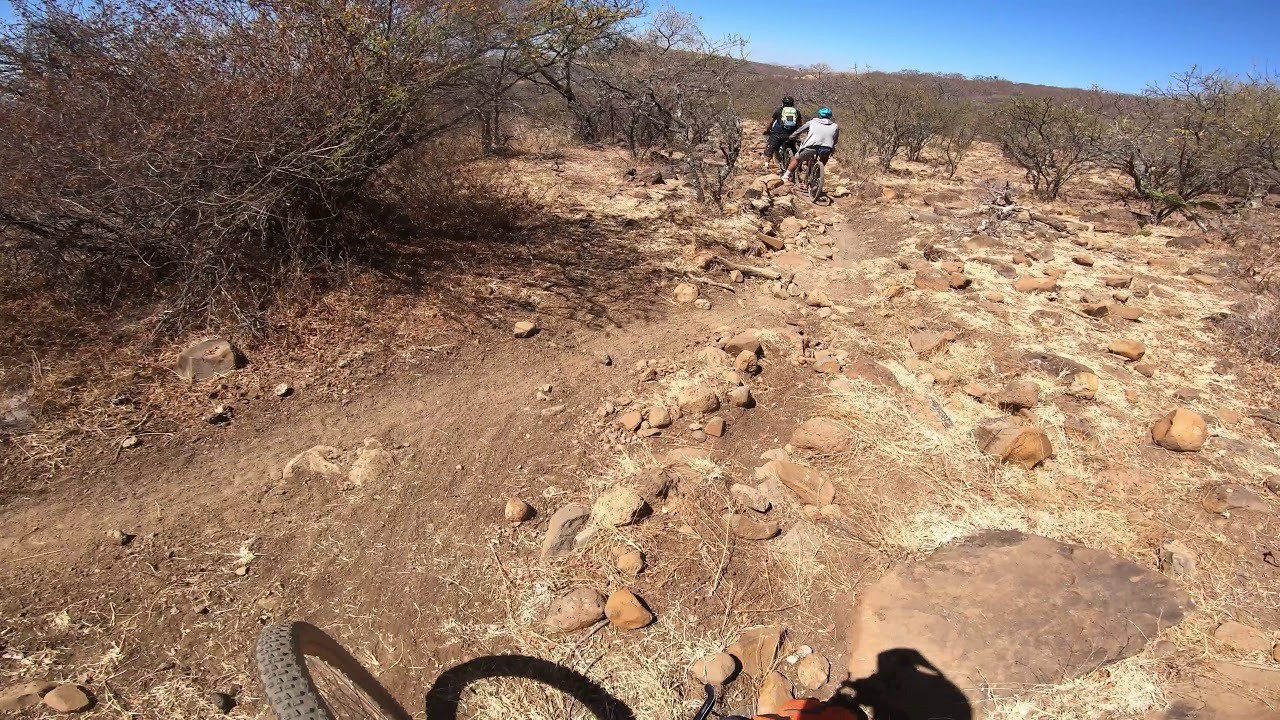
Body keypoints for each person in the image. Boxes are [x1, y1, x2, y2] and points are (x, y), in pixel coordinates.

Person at [782, 107, 838, 184]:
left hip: (810, 147)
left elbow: (799, 130)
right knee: (824, 158)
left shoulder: (812, 122)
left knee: (796, 158)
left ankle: (786, 176)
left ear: (819, 115)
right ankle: (817, 173)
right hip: (826, 148)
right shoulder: (835, 126)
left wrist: (791, 137)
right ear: (830, 116)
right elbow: (835, 140)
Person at [762, 96, 803, 171]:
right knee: (794, 150)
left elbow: (770, 123)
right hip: (791, 135)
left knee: (770, 148)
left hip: (778, 134)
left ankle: (766, 165)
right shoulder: (797, 112)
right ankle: (796, 168)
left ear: (783, 103)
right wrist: (797, 133)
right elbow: (800, 125)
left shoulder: (779, 111)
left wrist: (767, 131)